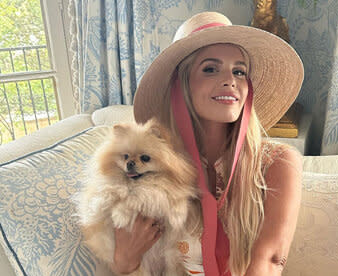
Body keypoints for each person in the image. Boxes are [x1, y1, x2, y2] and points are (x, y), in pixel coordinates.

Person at [111, 11, 304, 276]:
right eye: (211, 69)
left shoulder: (277, 163)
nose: (230, 80)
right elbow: (127, 260)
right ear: (182, 85)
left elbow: (270, 260)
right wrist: (124, 256)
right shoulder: (154, 168)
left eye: (239, 71)